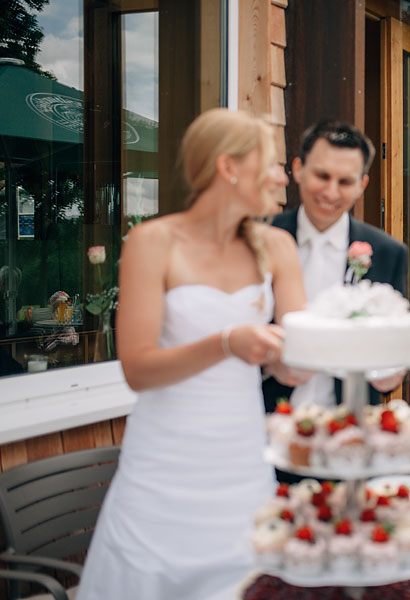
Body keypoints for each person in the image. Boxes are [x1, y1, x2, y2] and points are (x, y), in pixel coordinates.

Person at [79, 109, 308, 599]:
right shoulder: (153, 241)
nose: (281, 176)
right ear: (229, 168)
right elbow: (138, 369)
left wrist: (315, 352)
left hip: (241, 458)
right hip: (163, 464)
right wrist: (227, 343)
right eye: (270, 164)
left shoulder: (278, 246)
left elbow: (293, 364)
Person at [263, 120, 408, 412]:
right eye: (322, 175)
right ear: (299, 168)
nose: (330, 192)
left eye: (344, 182)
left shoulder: (388, 252)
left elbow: (392, 348)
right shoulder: (260, 239)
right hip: (264, 416)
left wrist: (391, 373)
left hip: (349, 423)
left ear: (361, 185)